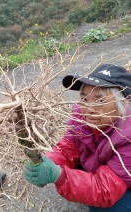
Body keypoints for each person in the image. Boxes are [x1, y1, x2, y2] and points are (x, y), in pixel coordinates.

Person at [23, 64, 131, 211]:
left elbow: (104, 191)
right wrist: (48, 162)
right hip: (102, 167)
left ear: (123, 104)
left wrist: (59, 176)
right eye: (85, 99)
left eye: (100, 100)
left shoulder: (128, 135)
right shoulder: (80, 116)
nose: (89, 108)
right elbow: (70, 147)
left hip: (124, 179)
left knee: (108, 206)